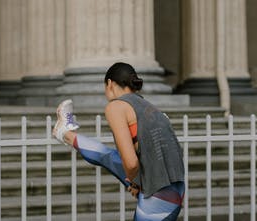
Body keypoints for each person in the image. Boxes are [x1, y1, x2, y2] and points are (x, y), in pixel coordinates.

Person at [53, 62, 185, 221]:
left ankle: (65, 132)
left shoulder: (117, 106)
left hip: (158, 197)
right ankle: (66, 132)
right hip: (174, 188)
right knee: (110, 156)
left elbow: (131, 164)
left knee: (108, 156)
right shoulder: (149, 107)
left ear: (109, 84)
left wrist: (135, 183)